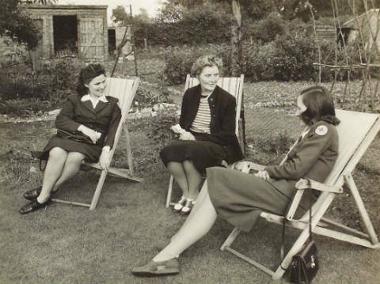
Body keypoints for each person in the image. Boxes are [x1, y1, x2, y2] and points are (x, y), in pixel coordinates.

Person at [132, 85, 340, 277]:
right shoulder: (315, 129)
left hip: (292, 196)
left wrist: (268, 170)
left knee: (217, 174)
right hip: (282, 188)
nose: (296, 111)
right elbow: (296, 166)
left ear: (312, 109)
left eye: (299, 107)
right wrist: (267, 171)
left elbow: (297, 168)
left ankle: (172, 252)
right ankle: (174, 248)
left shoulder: (324, 130)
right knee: (215, 177)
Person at [19, 64, 121, 214]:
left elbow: (113, 130)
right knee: (56, 152)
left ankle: (45, 194)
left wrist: (106, 151)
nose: (102, 86)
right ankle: (46, 193)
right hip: (70, 137)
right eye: (97, 83)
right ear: (87, 84)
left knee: (75, 157)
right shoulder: (75, 100)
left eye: (103, 82)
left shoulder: (112, 105)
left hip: (90, 145)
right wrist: (83, 128)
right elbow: (60, 120)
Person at [160, 55, 243, 214]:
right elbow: (185, 123)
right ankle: (187, 193)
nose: (213, 79)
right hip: (193, 142)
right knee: (168, 152)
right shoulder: (190, 94)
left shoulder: (227, 100)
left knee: (191, 154)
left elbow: (227, 135)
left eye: (216, 75)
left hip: (219, 145)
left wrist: (196, 138)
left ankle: (192, 196)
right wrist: (181, 131)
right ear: (198, 76)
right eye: (208, 75)